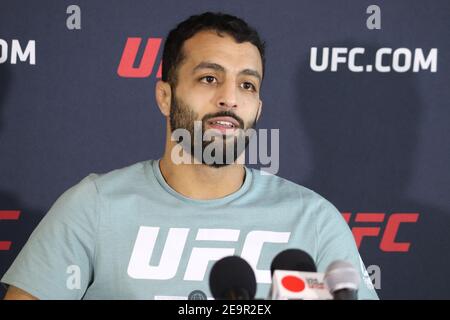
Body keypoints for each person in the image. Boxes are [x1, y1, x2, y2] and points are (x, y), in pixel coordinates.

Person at [2, 12, 378, 300]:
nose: (229, 98)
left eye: (246, 84)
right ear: (165, 96)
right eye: (209, 78)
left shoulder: (315, 220)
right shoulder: (95, 206)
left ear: (258, 108)